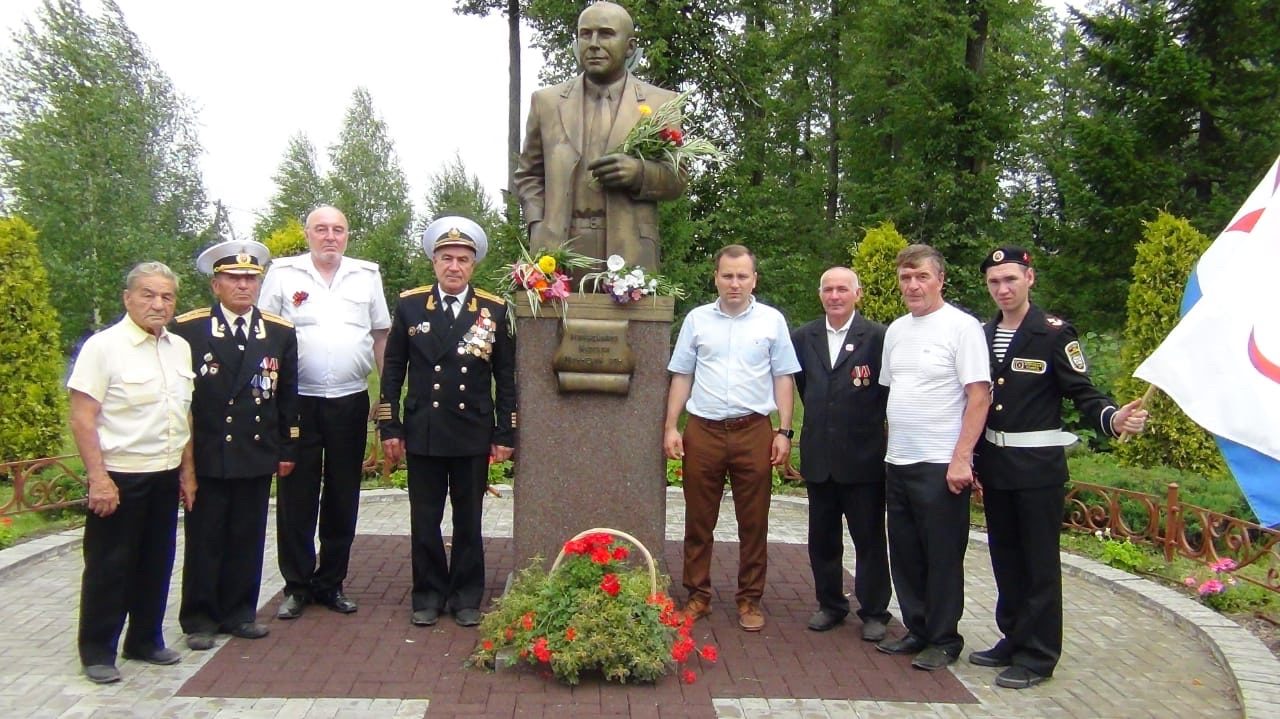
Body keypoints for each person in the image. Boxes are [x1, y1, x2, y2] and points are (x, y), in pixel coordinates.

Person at [971, 246, 1148, 688]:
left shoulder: (1052, 334)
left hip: (1037, 470)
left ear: (1030, 278)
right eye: (994, 282)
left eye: (1011, 279)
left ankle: (1039, 654)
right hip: (996, 464)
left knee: (1039, 563)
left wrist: (1114, 418)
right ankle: (1013, 637)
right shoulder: (980, 332)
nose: (1003, 289)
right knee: (1005, 558)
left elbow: (1083, 393)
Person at [377, 216, 516, 628]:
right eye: (446, 258)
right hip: (424, 431)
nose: (454, 266)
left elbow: (505, 377)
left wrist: (505, 432)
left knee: (468, 519)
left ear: (474, 265)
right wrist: (390, 426)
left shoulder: (492, 308)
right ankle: (428, 593)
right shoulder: (411, 305)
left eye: (462, 259)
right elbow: (392, 370)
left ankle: (466, 595)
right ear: (434, 262)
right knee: (425, 518)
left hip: (471, 431)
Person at [258, 205, 391, 618]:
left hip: (350, 400)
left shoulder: (366, 276)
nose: (330, 237)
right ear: (308, 234)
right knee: (297, 495)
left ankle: (331, 582)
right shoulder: (283, 274)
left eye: (338, 230)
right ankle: (296, 586)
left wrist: (385, 396)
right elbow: (264, 337)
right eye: (321, 230)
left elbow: (381, 336)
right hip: (298, 402)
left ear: (347, 235)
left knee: (342, 493)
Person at [66, 262, 196, 684]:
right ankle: (98, 651)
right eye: (148, 294)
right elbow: (82, 419)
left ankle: (144, 639)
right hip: (120, 476)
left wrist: (186, 472)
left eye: (167, 297)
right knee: (109, 566)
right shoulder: (103, 347)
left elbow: (183, 413)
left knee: (156, 562)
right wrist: (98, 478)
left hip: (164, 471)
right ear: (128, 298)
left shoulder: (178, 347)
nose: (158, 304)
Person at [663, 244, 800, 632]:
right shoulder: (696, 320)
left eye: (742, 276)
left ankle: (750, 599)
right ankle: (698, 596)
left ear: (754, 279)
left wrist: (784, 431)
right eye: (727, 276)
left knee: (754, 521)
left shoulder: (772, 322)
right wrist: (672, 425)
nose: (734, 283)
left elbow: (783, 378)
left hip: (753, 430)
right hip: (703, 430)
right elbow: (682, 375)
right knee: (698, 519)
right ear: (716, 278)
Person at [172, 240, 300, 651]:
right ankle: (200, 618)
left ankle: (240, 612)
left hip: (255, 449)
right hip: (210, 451)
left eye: (250, 278)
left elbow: (288, 395)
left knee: (248, 535)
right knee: (206, 536)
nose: (243, 285)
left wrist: (287, 448)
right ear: (216, 285)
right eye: (233, 278)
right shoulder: (189, 329)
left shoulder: (279, 332)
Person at [875, 244, 991, 671]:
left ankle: (944, 637)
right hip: (899, 460)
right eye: (906, 278)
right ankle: (917, 628)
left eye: (921, 276)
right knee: (904, 552)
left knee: (941, 554)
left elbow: (978, 396)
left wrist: (962, 458)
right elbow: (893, 392)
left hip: (941, 462)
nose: (913, 285)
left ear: (940, 280)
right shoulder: (896, 331)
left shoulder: (962, 328)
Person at [515, 0, 685, 272]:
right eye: (585, 34)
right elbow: (528, 175)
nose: (593, 43)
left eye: (606, 34)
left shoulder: (660, 103)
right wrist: (538, 224)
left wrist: (639, 172)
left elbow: (676, 178)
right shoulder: (546, 102)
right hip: (557, 251)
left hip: (630, 251)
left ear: (630, 46)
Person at [791, 267, 892, 640]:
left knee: (869, 538)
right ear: (820, 294)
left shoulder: (879, 337)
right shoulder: (804, 337)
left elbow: (886, 392)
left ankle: (875, 611)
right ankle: (830, 604)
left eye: (842, 289)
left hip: (863, 457)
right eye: (829, 290)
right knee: (822, 539)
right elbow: (803, 387)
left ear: (857, 293)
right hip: (820, 456)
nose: (835, 296)